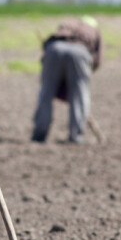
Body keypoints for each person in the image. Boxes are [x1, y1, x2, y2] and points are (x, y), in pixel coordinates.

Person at [31, 15, 103, 144]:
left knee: (46, 92)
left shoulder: (67, 23)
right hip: (80, 52)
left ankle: (39, 134)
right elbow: (97, 60)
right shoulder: (95, 31)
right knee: (79, 95)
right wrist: (82, 76)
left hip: (54, 48)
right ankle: (76, 135)